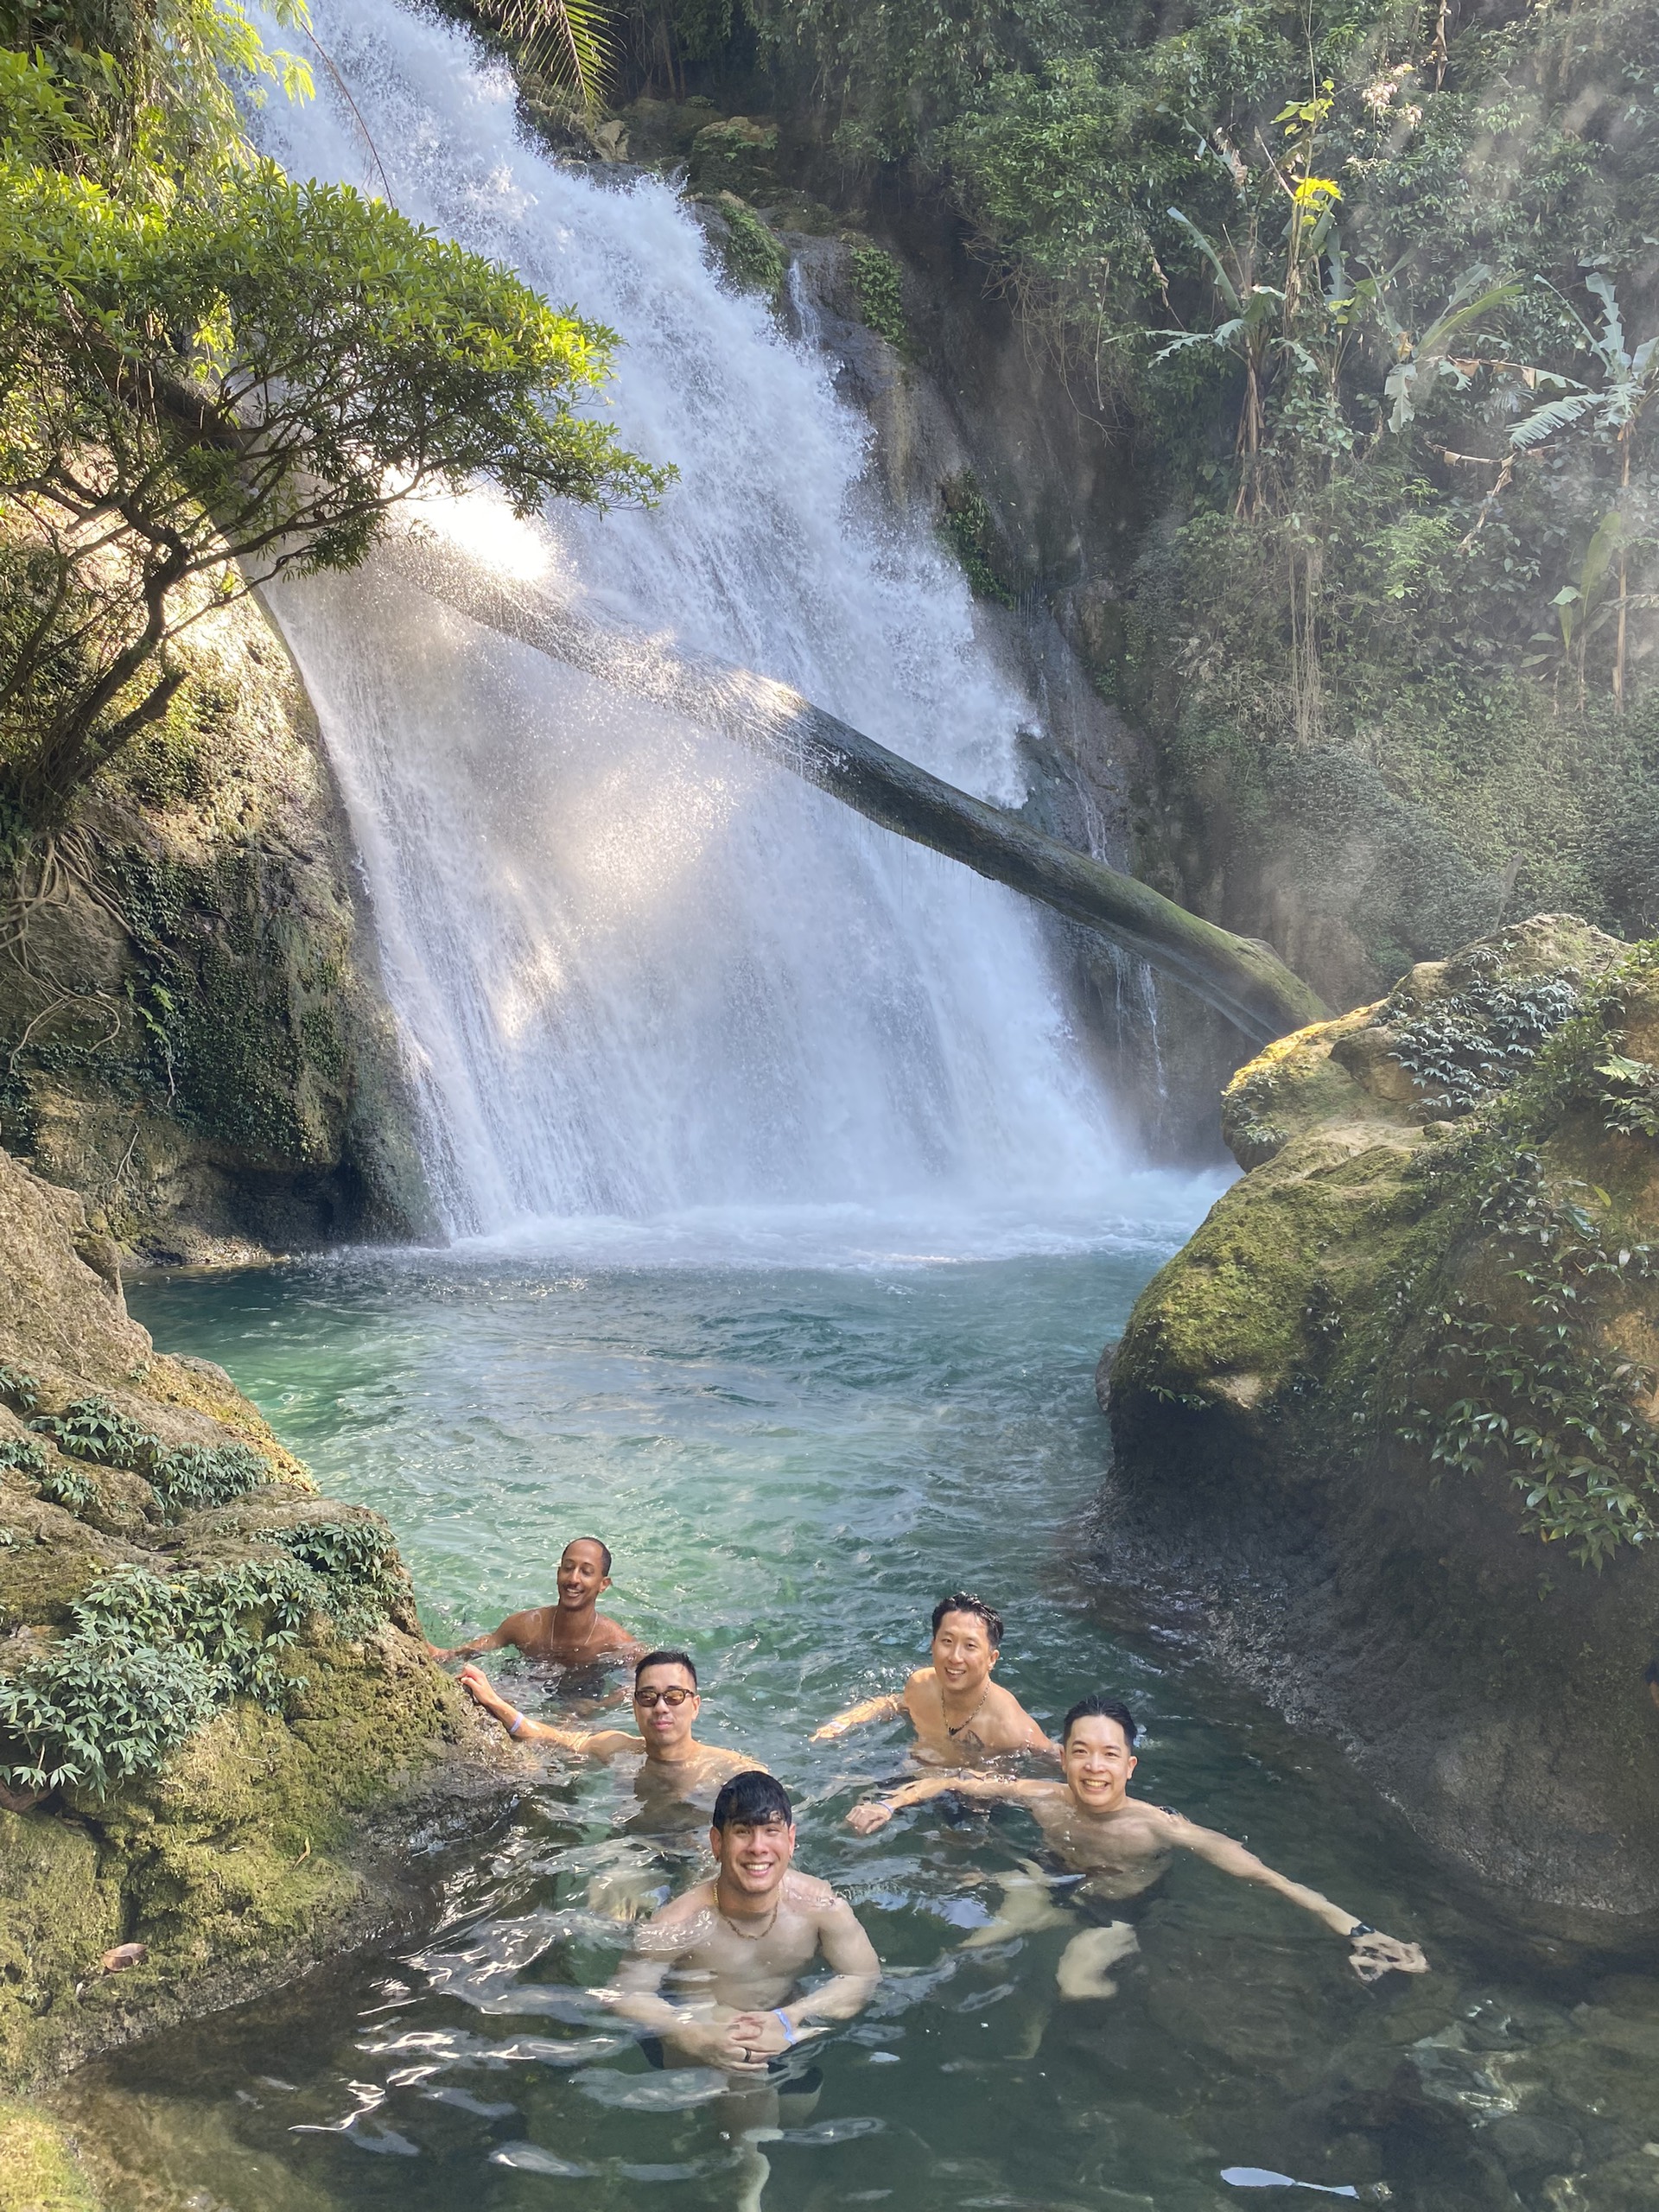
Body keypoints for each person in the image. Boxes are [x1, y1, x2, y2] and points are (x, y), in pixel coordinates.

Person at [845, 1693, 1428, 1994]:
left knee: (1076, 1983)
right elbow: (953, 1778)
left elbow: (1264, 1875)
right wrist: (888, 1804)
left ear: (1130, 1765)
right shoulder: (1043, 1795)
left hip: (1120, 1906)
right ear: (1064, 1754)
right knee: (973, 1946)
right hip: (1054, 1875)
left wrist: (1355, 1928)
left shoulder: (1160, 1827)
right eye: (1080, 1751)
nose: (1093, 1766)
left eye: (1108, 1754)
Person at [460, 1649, 754, 1813]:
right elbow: (550, 1737)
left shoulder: (730, 1770)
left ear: (695, 1706)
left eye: (674, 1696)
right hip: (631, 1850)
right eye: (648, 1697)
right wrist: (493, 1700)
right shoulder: (618, 1747)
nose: (661, 1707)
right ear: (635, 1707)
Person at [811, 1592, 1057, 1762]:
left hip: (973, 1799)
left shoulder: (1009, 1726)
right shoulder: (920, 1685)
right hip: (917, 1770)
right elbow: (895, 1702)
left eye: (970, 1646)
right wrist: (845, 1721)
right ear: (933, 1645)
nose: (955, 1657)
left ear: (992, 1659)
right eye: (947, 1642)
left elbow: (1054, 1757)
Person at [428, 1536, 640, 1668]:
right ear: (558, 1573)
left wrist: (595, 1707)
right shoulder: (526, 1626)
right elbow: (489, 1643)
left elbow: (637, 1685)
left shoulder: (615, 1641)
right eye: (568, 1568)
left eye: (586, 1572)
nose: (573, 1579)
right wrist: (445, 1654)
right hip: (528, 1680)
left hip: (585, 1690)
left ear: (603, 1584)